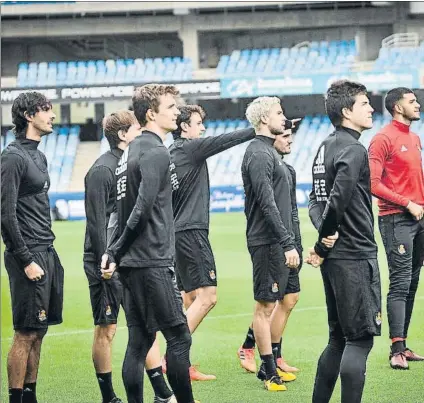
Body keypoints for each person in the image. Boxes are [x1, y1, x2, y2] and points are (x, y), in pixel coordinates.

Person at [102, 84, 197, 403]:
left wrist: (115, 250)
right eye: (171, 107)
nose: (177, 111)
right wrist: (113, 249)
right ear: (151, 113)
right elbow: (141, 208)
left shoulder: (131, 151)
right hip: (150, 262)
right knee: (180, 337)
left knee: (139, 341)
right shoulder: (154, 151)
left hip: (132, 262)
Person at [84, 110, 176, 403]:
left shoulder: (131, 163)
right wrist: (104, 261)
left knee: (144, 327)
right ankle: (108, 396)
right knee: (108, 328)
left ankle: (162, 392)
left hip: (130, 258)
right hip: (105, 261)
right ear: (123, 135)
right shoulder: (102, 170)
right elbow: (97, 222)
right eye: (137, 127)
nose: (143, 132)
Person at [166, 104, 255, 380]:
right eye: (197, 123)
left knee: (188, 298)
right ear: (184, 127)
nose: (202, 128)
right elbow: (224, 141)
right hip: (191, 232)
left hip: (177, 235)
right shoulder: (188, 148)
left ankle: (181, 362)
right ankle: (173, 359)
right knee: (208, 297)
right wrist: (258, 129)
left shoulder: (171, 154)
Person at [305, 80, 381, 403]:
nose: (371, 108)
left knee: (338, 338)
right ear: (347, 111)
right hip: (354, 254)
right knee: (360, 339)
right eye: (365, 103)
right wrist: (325, 240)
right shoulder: (354, 149)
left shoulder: (324, 147)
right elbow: (337, 199)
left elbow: (314, 200)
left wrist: (324, 239)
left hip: (336, 258)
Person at [1, 92, 64, 403]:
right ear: (28, 115)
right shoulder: (12, 156)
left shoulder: (39, 155)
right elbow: (5, 213)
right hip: (27, 255)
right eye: (46, 110)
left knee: (39, 331)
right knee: (25, 333)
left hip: (46, 251)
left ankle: (30, 397)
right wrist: (25, 259)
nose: (51, 116)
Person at [240, 96, 304, 392]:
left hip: (277, 240)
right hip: (267, 241)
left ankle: (271, 364)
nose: (284, 117)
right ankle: (268, 373)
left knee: (283, 299)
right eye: (279, 112)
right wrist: (287, 242)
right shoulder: (259, 153)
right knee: (265, 306)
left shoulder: (268, 153)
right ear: (265, 118)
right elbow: (266, 204)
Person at [368, 87, 424, 370]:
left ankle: (403, 344)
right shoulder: (382, 139)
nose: (417, 104)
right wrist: (408, 203)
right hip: (396, 219)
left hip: (419, 219)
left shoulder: (414, 138)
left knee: (412, 283)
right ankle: (395, 350)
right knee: (400, 283)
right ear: (397, 106)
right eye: (412, 101)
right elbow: (373, 184)